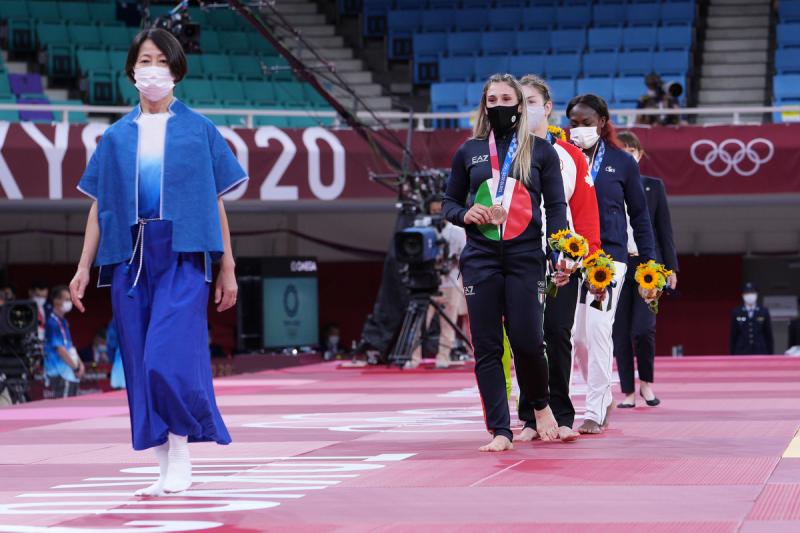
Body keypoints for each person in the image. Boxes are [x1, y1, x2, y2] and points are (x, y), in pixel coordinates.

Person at [69, 29, 247, 497]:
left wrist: (227, 265)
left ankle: (183, 450)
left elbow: (215, 203)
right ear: (132, 70)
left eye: (162, 61)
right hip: (129, 257)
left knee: (165, 359)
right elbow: (98, 208)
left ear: (176, 71)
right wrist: (84, 266)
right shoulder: (113, 137)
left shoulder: (200, 130)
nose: (153, 69)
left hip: (183, 254)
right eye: (145, 60)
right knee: (137, 362)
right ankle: (163, 462)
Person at [444, 73, 569, 452]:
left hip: (525, 257)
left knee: (529, 340)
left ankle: (541, 406)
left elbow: (557, 207)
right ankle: (500, 430)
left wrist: (559, 251)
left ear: (519, 104)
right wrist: (467, 213)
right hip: (480, 258)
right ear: (485, 105)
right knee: (486, 347)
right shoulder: (469, 151)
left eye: (505, 98)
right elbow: (449, 204)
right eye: (492, 99)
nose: (499, 105)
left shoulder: (541, 151)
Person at [513, 75, 601, 443]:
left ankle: (563, 413)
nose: (526, 109)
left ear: (547, 108)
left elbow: (584, 210)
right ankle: (531, 415)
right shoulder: (507, 151)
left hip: (563, 258)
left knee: (557, 333)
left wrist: (588, 260)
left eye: (532, 101)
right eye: (521, 103)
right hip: (519, 255)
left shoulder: (570, 156)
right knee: (524, 336)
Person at [566, 94, 656, 434]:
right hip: (569, 257)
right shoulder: (562, 158)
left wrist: (648, 264)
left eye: (587, 123)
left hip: (609, 258)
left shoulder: (622, 162)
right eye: (574, 124)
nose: (580, 130)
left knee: (600, 330)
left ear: (602, 122)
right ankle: (599, 397)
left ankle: (594, 409)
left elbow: (640, 215)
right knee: (575, 336)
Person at [614, 131, 679, 408]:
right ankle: (627, 391)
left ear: (640, 155)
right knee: (620, 332)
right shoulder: (608, 185)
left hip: (648, 265)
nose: (628, 155)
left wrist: (671, 268)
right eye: (622, 150)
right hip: (616, 263)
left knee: (644, 329)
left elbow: (664, 230)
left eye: (633, 151)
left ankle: (647, 384)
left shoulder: (653, 186)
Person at [406, 197, 467, 370]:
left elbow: (464, 255)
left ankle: (443, 357)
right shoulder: (423, 230)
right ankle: (413, 357)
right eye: (433, 211)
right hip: (428, 284)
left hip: (451, 282)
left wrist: (452, 262)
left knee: (448, 324)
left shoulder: (456, 230)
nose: (436, 215)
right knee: (419, 324)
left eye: (439, 211)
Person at [44, 285, 84, 398]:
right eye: (66, 299)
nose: (69, 303)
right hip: (59, 374)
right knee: (64, 411)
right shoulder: (52, 323)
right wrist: (75, 367)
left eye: (69, 300)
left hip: (69, 372)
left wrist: (80, 364)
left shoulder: (64, 322)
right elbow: (60, 349)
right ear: (56, 300)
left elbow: (69, 346)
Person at [730, 282, 774, 355]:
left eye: (752, 293)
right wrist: (732, 354)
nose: (750, 296)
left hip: (760, 351)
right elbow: (733, 336)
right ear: (743, 295)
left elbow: (768, 335)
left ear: (756, 294)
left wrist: (770, 354)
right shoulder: (737, 312)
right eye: (747, 293)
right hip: (741, 352)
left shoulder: (763, 311)